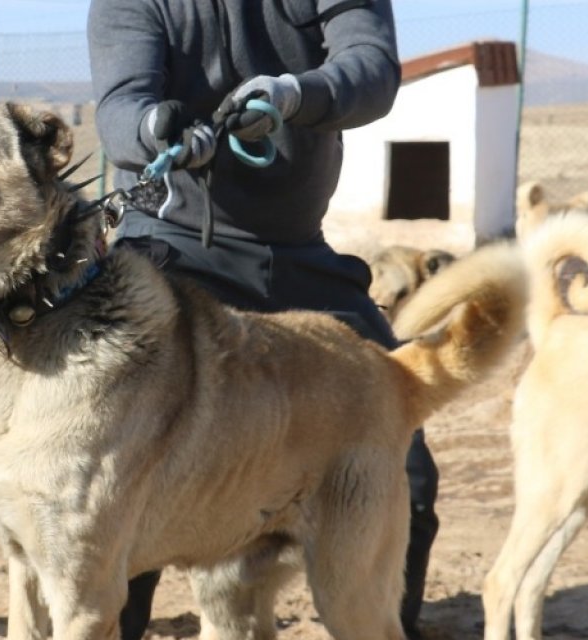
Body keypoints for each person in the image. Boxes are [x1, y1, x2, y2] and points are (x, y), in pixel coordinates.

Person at [87, 1, 438, 638]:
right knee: (128, 476)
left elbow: (372, 70)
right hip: (172, 252)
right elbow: (119, 112)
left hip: (299, 256)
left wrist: (296, 94)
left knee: (405, 466)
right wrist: (160, 128)